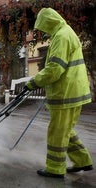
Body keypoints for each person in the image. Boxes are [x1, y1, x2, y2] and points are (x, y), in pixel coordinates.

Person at [25, 8, 93, 178]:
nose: (43, 31)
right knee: (66, 130)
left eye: (43, 26)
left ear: (49, 22)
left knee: (57, 132)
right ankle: (83, 161)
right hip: (73, 90)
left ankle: (55, 169)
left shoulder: (61, 36)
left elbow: (55, 69)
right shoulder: (66, 32)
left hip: (66, 93)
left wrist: (33, 82)